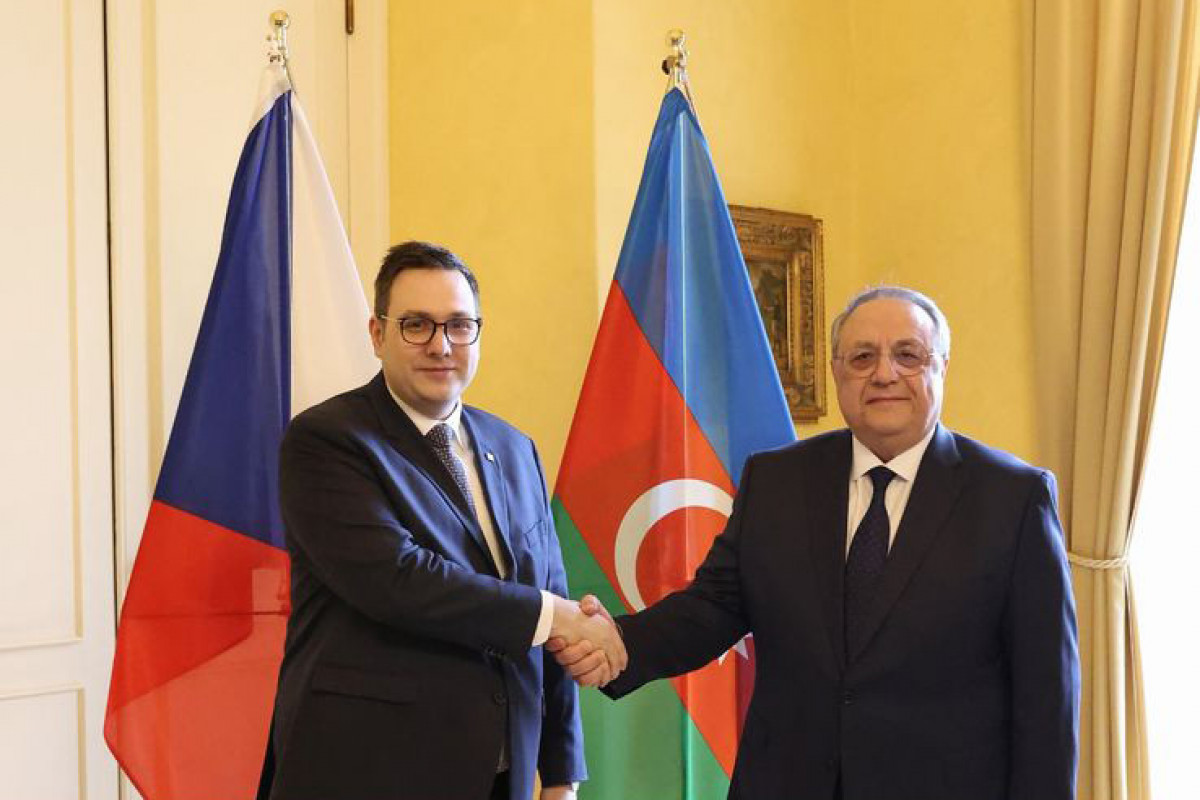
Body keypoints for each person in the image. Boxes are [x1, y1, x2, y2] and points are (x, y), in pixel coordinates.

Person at [551, 286, 1080, 800]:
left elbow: (1046, 693)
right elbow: (713, 607)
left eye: (908, 355)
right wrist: (621, 642)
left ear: (942, 367)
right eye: (862, 357)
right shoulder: (777, 480)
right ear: (836, 371)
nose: (884, 374)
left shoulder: (1012, 498)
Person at [259, 241, 625, 800]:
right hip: (369, 772)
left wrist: (561, 775)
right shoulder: (326, 441)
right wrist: (561, 618)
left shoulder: (515, 447)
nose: (440, 345)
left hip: (500, 775)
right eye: (416, 325)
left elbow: (549, 598)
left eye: (459, 325)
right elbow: (400, 580)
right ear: (377, 334)